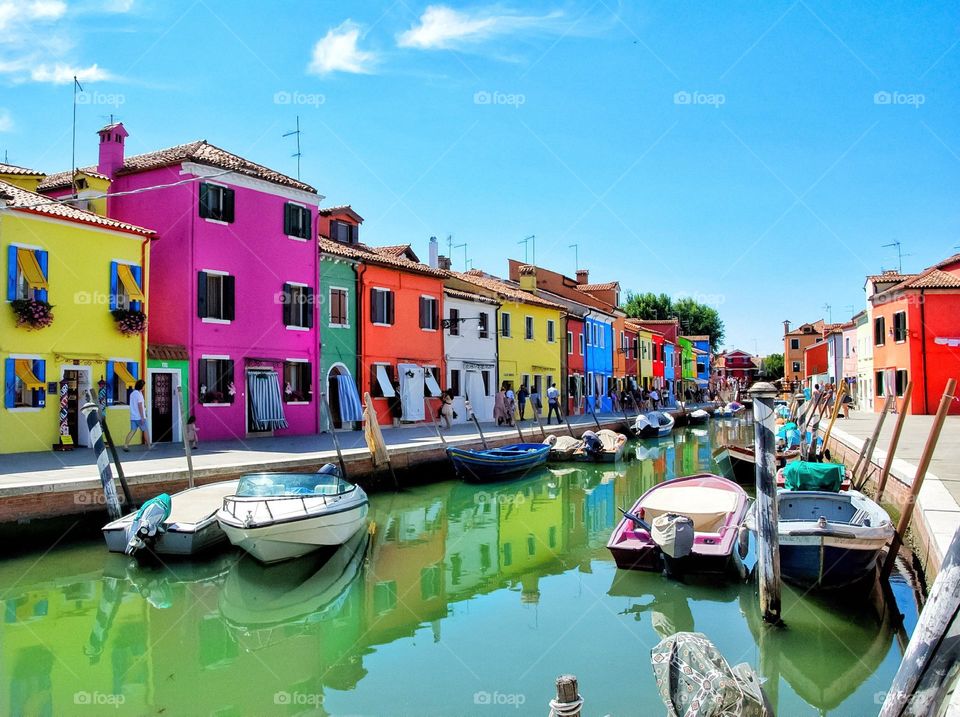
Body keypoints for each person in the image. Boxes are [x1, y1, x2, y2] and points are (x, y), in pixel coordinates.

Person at [123, 379, 151, 451]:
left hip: (133, 416)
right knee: (145, 430)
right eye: (143, 386)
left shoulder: (132, 393)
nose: (144, 387)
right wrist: (142, 417)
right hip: (139, 417)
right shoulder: (139, 395)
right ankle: (149, 446)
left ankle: (126, 445)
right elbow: (140, 406)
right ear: (141, 386)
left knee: (132, 431)